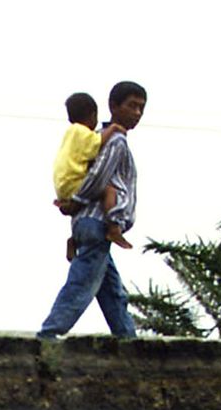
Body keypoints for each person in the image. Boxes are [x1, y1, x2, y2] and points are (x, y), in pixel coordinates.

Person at [37, 81, 147, 340]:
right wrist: (76, 200)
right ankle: (49, 334)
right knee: (83, 282)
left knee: (112, 291)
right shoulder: (114, 141)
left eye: (141, 108)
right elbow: (98, 177)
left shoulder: (97, 140)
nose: (137, 113)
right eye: (132, 106)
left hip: (90, 224)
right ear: (113, 107)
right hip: (99, 224)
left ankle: (127, 338)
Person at [52, 91, 124, 261]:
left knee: (110, 287)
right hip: (74, 182)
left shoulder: (70, 133)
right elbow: (96, 145)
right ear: (93, 115)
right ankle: (114, 227)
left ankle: (74, 240)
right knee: (109, 191)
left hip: (64, 185)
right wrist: (113, 128)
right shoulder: (82, 132)